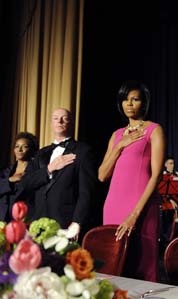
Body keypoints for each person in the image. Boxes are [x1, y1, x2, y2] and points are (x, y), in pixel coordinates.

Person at [98, 80, 164, 282]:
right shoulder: (116, 135)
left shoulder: (154, 130)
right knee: (113, 264)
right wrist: (120, 146)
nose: (129, 103)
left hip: (140, 206)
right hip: (113, 205)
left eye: (135, 99)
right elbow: (102, 175)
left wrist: (135, 214)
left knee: (142, 264)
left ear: (143, 104)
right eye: (125, 99)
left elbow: (157, 175)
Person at [21, 108, 97, 238]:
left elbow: (86, 192)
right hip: (38, 223)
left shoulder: (83, 151)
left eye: (64, 118)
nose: (60, 121)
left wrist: (77, 222)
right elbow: (26, 183)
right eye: (55, 118)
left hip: (65, 224)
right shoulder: (40, 154)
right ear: (51, 123)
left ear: (71, 122)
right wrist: (50, 168)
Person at [0, 132, 38, 221]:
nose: (19, 150)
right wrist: (9, 180)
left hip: (24, 219)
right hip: (3, 219)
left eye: (25, 147)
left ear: (32, 150)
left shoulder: (36, 172)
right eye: (17, 146)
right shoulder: (6, 171)